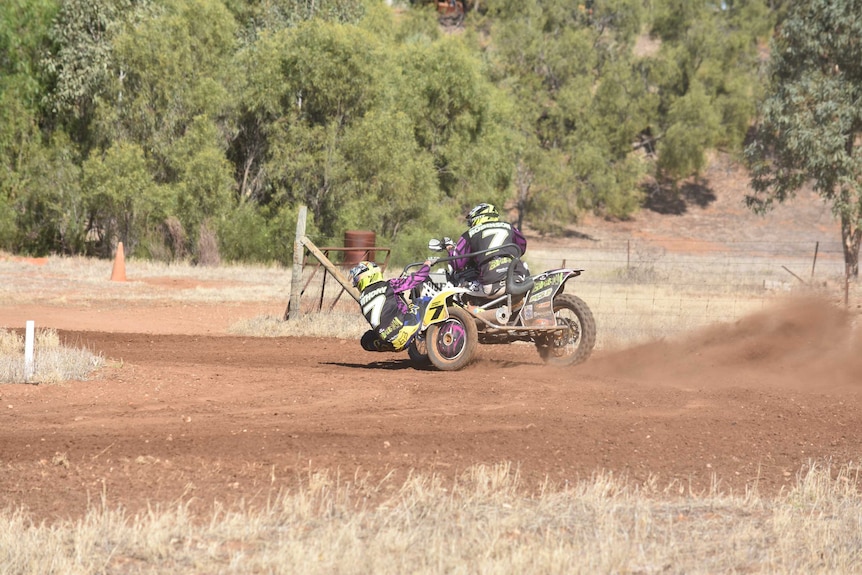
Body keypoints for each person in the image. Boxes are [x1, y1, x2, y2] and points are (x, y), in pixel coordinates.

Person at [348, 258, 435, 352]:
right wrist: (427, 263)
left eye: (357, 279)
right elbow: (417, 278)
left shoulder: (362, 301)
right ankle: (428, 330)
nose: (356, 282)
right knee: (422, 300)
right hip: (405, 332)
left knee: (365, 339)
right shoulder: (389, 285)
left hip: (391, 344)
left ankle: (390, 342)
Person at [447, 202, 529, 297]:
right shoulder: (509, 227)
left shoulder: (469, 234)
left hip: (491, 284)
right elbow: (522, 247)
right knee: (524, 265)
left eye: (471, 221)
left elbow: (457, 263)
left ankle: (472, 310)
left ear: (478, 218)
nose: (471, 224)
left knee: (461, 291)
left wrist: (450, 249)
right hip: (518, 277)